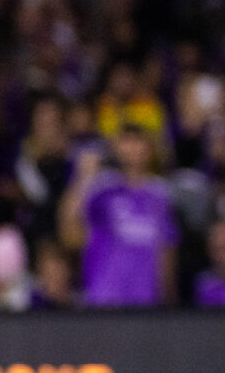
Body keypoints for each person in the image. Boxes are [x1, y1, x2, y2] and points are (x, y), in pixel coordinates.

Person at [65, 128, 179, 308]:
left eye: (138, 141)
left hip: (146, 303)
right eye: (126, 141)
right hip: (105, 301)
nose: (132, 148)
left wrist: (168, 299)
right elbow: (70, 231)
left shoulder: (161, 195)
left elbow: (165, 251)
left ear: (150, 150)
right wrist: (83, 177)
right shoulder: (102, 189)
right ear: (116, 148)